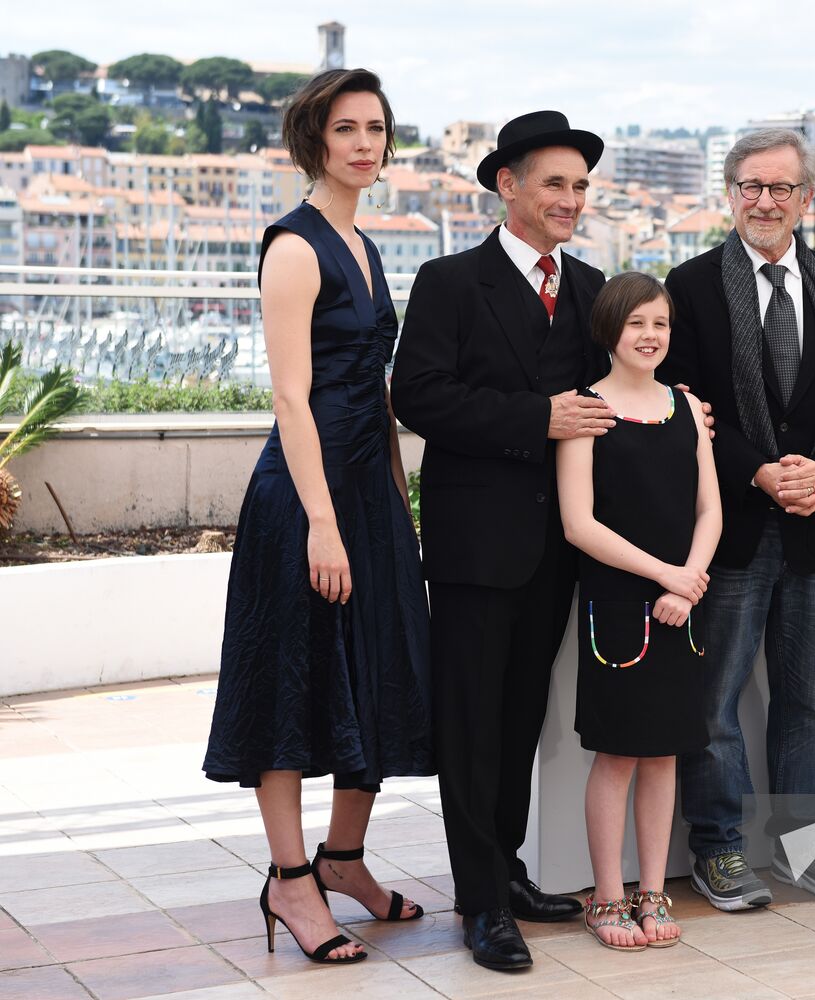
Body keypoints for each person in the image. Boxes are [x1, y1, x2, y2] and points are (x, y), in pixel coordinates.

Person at [202, 68, 432, 965]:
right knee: (290, 683)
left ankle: (345, 860)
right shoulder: (295, 247)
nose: (366, 143)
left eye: (376, 127)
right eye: (347, 128)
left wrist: (392, 498)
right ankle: (291, 878)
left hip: (370, 494)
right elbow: (291, 401)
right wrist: (323, 524)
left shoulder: (367, 246)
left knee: (373, 673)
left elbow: (371, 391)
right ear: (314, 139)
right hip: (304, 500)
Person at [390, 110, 612, 971]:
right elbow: (420, 397)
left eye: (581, 186)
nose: (570, 199)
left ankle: (506, 870)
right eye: (554, 183)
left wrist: (678, 410)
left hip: (560, 545)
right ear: (506, 185)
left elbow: (622, 390)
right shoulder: (450, 281)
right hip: (476, 545)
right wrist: (538, 418)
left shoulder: (594, 288)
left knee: (522, 720)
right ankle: (480, 902)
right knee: (473, 726)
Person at [660, 128, 815, 909]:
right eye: (751, 186)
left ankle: (807, 846)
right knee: (713, 700)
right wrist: (758, 469)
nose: (765, 200)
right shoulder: (687, 289)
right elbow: (682, 406)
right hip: (728, 527)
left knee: (808, 700)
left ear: (806, 198)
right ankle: (719, 849)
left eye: (781, 188)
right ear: (729, 193)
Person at [557, 272, 721, 950]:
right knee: (620, 754)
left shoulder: (686, 408)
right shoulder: (586, 410)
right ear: (610, 332)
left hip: (682, 604)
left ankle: (654, 892)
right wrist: (666, 578)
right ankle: (607, 897)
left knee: (665, 755)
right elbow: (578, 524)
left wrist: (687, 586)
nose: (651, 336)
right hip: (619, 608)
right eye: (637, 324)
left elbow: (710, 508)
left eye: (661, 324)